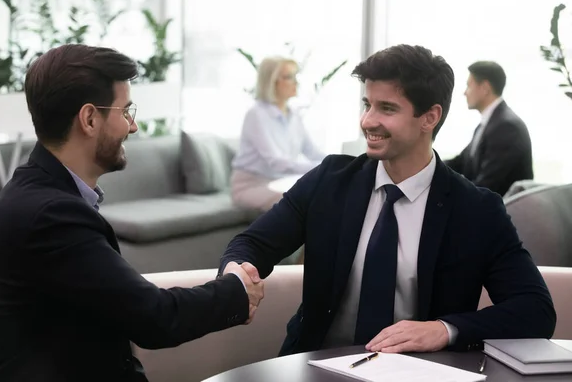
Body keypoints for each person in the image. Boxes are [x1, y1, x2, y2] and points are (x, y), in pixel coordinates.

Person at [218, 45, 555, 356]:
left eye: (387, 108)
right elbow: (251, 244)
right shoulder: (330, 182)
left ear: (430, 117)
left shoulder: (476, 210)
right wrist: (237, 271)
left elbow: (536, 309)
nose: (368, 121)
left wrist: (445, 330)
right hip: (315, 366)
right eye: (367, 104)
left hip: (422, 374)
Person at [0, 44, 264, 382]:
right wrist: (237, 291)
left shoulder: (39, 194)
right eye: (125, 111)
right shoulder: (51, 214)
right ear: (90, 119)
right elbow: (154, 319)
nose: (134, 126)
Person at [231, 56, 326, 212]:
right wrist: (321, 168)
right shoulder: (256, 114)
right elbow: (276, 162)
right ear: (271, 82)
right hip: (251, 186)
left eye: (295, 76)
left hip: (280, 182)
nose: (296, 82)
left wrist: (339, 162)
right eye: (288, 77)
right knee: (297, 199)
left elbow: (312, 152)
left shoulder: (294, 115)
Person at [445, 61, 533, 196]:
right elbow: (461, 162)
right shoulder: (488, 124)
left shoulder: (506, 127)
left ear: (485, 88)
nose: (464, 93)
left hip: (506, 212)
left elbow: (488, 185)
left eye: (469, 86)